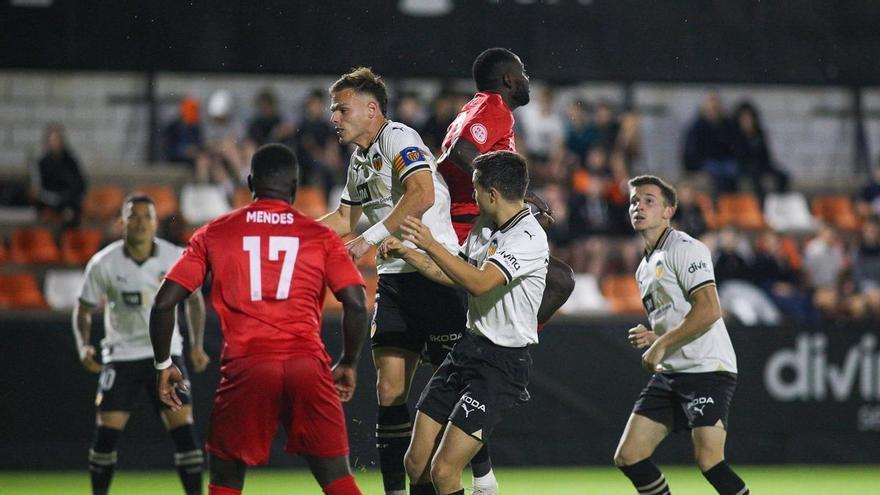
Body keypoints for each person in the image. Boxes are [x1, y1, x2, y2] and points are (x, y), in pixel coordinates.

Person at [150, 144, 368, 495]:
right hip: (306, 365)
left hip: (247, 367)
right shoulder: (321, 236)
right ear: (295, 188)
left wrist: (164, 363)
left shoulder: (215, 232)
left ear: (250, 182)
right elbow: (357, 304)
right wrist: (349, 361)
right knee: (338, 480)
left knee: (226, 481)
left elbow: (163, 304)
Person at [318, 67, 465, 495]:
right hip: (396, 281)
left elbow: (423, 193)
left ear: (371, 109)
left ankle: (480, 480)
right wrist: (296, 233)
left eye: (341, 109)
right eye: (333, 111)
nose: (335, 118)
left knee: (455, 393)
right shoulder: (359, 160)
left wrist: (370, 238)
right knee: (388, 389)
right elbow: (344, 218)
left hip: (436, 272)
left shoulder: (398, 138)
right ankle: (395, 491)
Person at [379, 150, 548, 495]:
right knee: (415, 464)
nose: (470, 196)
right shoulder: (485, 226)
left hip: (500, 364)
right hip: (467, 349)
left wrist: (429, 241)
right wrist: (409, 252)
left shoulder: (528, 237)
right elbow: (454, 272)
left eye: (474, 188)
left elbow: (479, 282)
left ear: (492, 193)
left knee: (444, 471)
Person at [614, 175, 749, 495]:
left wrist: (660, 344)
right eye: (634, 201)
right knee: (629, 456)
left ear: (668, 211)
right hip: (672, 373)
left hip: (707, 369)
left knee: (709, 460)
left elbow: (708, 310)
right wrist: (654, 335)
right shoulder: (644, 266)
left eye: (649, 200)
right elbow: (678, 315)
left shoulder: (685, 248)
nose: (639, 207)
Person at [72, 193, 209, 495]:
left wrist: (196, 345)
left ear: (156, 223)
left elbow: (195, 301)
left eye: (147, 216)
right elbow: (82, 310)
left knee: (185, 434)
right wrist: (84, 345)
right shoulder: (103, 263)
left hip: (167, 355)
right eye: (133, 216)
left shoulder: (174, 256)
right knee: (105, 437)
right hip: (122, 356)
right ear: (122, 221)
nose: (141, 223)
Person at [437, 47, 574, 329]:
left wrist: (520, 209)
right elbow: (462, 153)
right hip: (469, 230)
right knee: (560, 282)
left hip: (473, 225)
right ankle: (509, 344)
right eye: (523, 73)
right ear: (509, 80)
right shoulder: (494, 107)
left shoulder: (474, 108)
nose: (527, 79)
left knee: (557, 280)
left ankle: (504, 340)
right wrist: (518, 192)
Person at [32, 123, 86, 227]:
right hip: (50, 202)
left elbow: (80, 183)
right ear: (48, 142)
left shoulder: (70, 161)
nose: (56, 143)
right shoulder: (42, 163)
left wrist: (70, 201)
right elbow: (40, 190)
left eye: (58, 140)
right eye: (53, 140)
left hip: (70, 201)